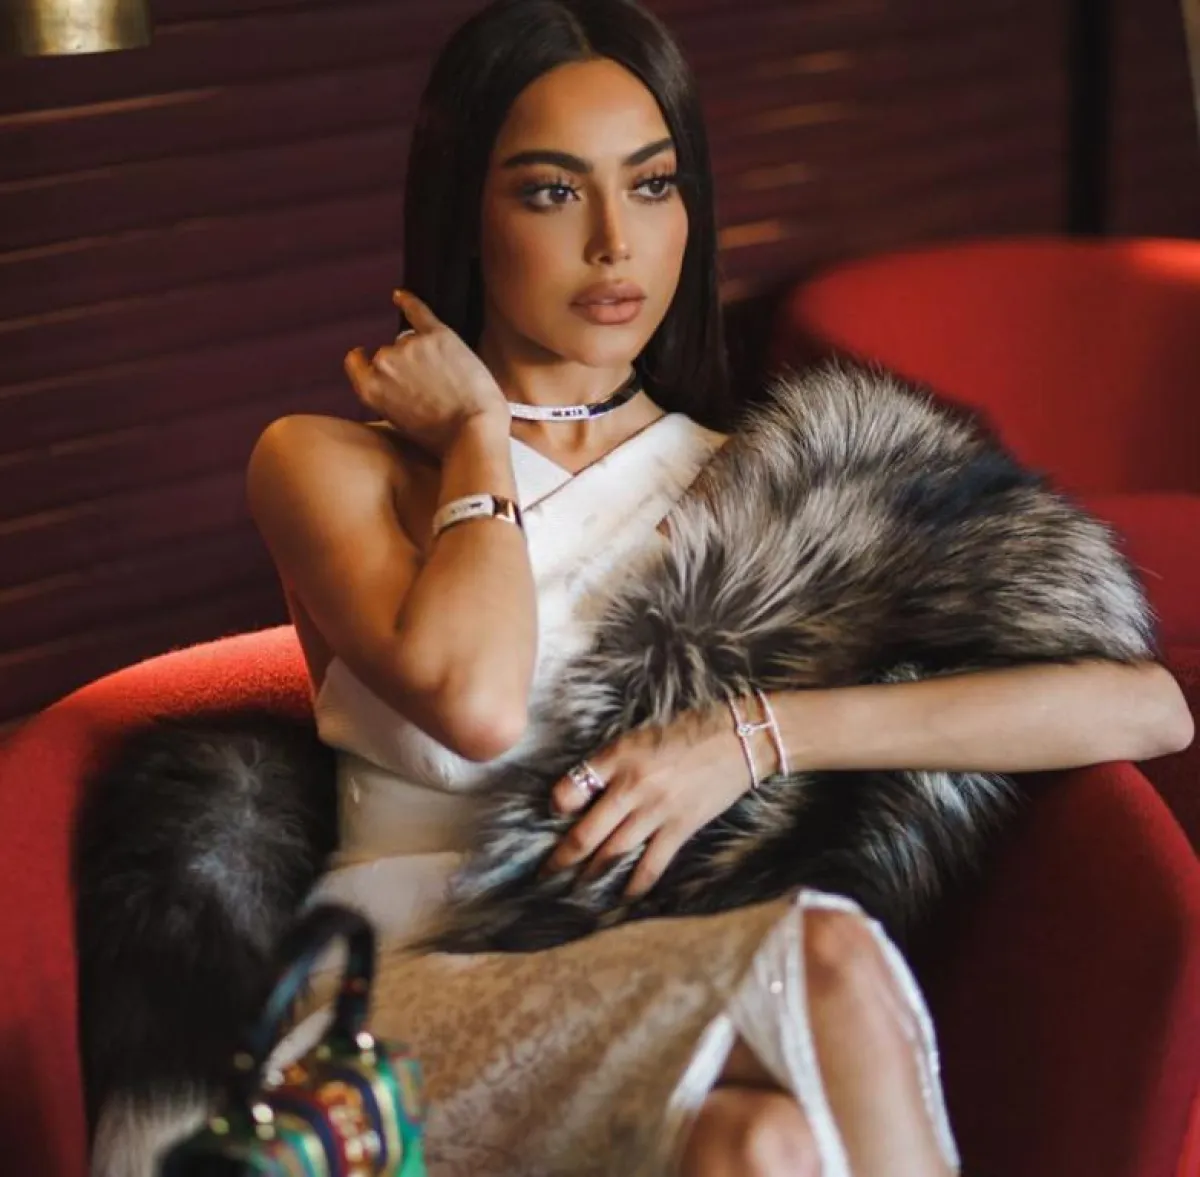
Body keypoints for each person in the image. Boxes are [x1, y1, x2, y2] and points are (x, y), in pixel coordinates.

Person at [94, 1, 1193, 1174]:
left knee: (761, 1141)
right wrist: (477, 435)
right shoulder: (332, 465)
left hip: (636, 975)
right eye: (552, 192)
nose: (615, 243)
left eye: (654, 185)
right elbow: (476, 702)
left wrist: (751, 737)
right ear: (468, 211)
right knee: (821, 959)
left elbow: (1147, 707)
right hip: (397, 1018)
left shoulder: (763, 490)